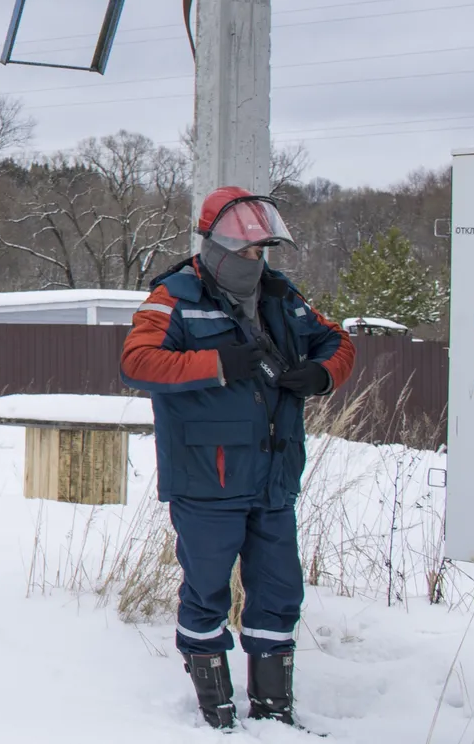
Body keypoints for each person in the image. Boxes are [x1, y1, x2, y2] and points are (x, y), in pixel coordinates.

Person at [120, 187, 354, 730]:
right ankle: (216, 711)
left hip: (273, 475)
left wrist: (321, 375)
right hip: (208, 478)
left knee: (278, 590)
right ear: (216, 246)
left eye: (260, 252)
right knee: (206, 589)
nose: (255, 261)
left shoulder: (282, 296)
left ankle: (274, 711)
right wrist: (217, 364)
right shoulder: (172, 296)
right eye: (246, 252)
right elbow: (136, 362)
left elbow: (337, 341)